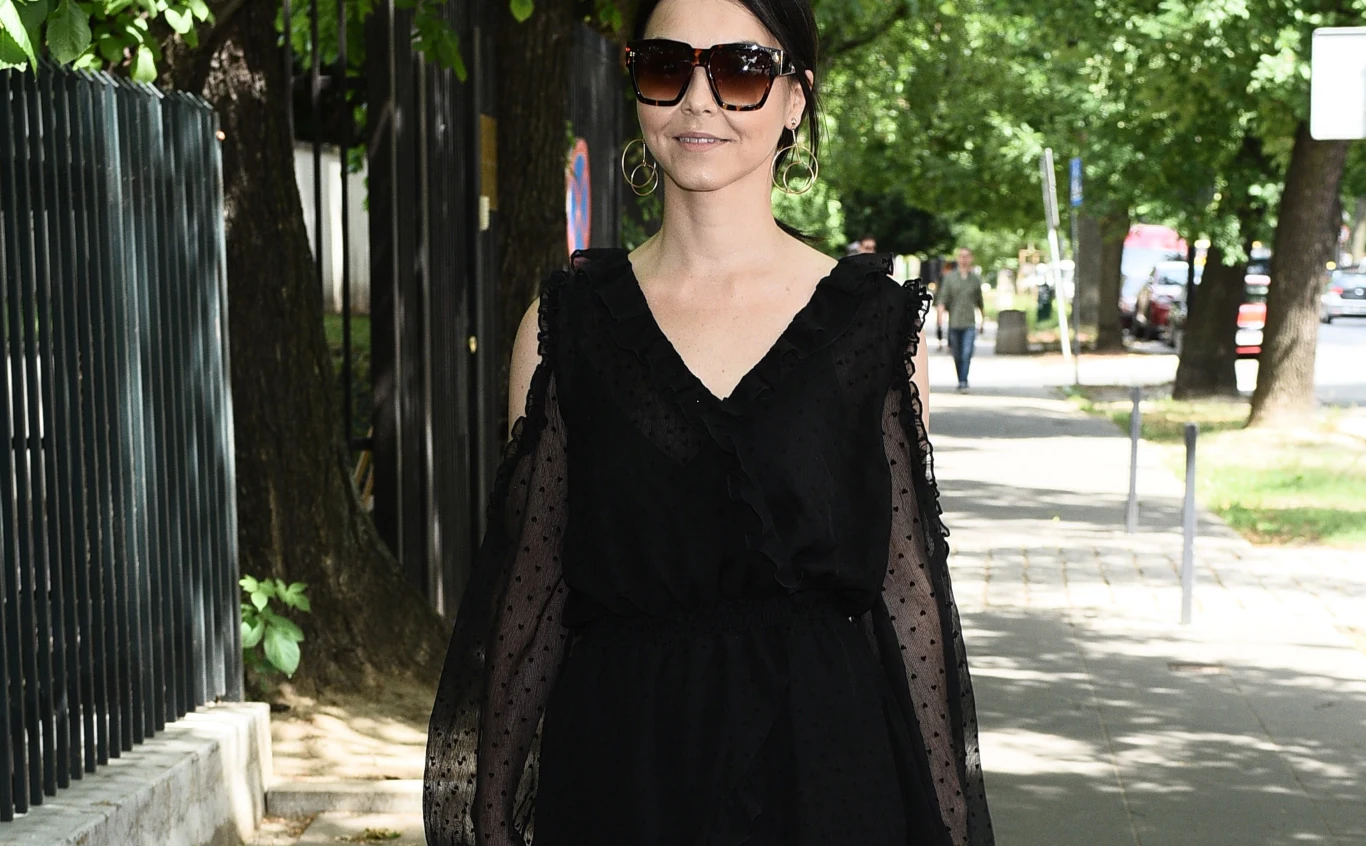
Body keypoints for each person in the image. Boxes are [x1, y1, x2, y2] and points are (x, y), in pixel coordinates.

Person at [423, 1, 994, 844]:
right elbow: (528, 599)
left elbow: (909, 596)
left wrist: (950, 824)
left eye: (739, 69)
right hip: (622, 779)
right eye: (666, 67)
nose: (699, 99)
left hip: (827, 778)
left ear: (795, 97)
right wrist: (493, 816)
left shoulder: (871, 328)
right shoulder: (565, 326)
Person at [938, 247, 985, 392]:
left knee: (967, 353)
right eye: (961, 256)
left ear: (971, 258)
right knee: (957, 355)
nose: (964, 259)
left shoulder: (975, 279)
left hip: (970, 323)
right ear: (958, 258)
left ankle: (963, 381)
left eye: (967, 256)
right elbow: (942, 300)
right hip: (954, 323)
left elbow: (980, 302)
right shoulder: (950, 278)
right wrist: (940, 318)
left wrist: (983, 321)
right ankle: (961, 378)